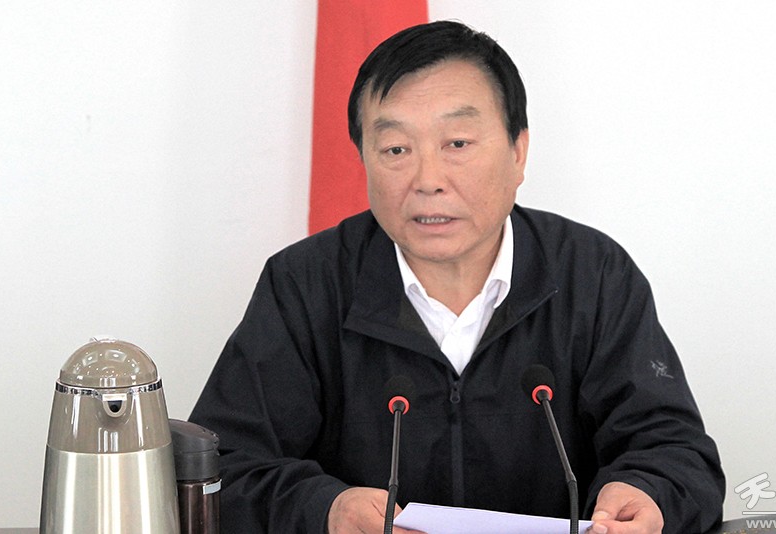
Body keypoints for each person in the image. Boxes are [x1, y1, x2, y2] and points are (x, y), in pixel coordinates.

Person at [190, 20, 725, 534]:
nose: (428, 180)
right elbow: (219, 469)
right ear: (364, 159)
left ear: (518, 152)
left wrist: (647, 492)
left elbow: (674, 450)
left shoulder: (593, 274)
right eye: (396, 149)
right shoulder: (305, 285)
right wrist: (325, 510)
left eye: (458, 144)